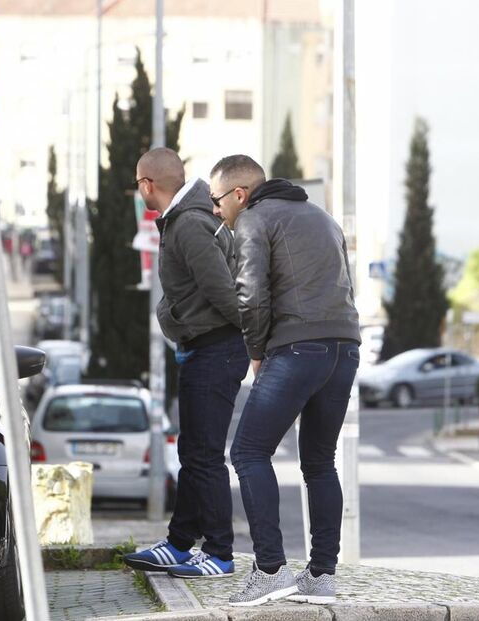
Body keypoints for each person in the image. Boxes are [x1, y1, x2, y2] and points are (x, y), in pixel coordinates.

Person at [209, 155, 360, 606]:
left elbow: (251, 295)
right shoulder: (324, 218)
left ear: (239, 194)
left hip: (297, 347)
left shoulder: (253, 219)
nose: (216, 211)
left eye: (217, 201)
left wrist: (257, 351)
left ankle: (271, 569)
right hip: (344, 347)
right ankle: (321, 576)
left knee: (248, 451)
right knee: (318, 461)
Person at [122, 148, 248, 579]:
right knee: (194, 453)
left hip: (216, 350)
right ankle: (179, 544)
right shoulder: (187, 219)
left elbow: (225, 294)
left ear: (146, 185)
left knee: (205, 456)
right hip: (205, 349)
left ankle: (219, 554)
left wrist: (256, 343)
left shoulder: (190, 225)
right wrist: (171, 314)